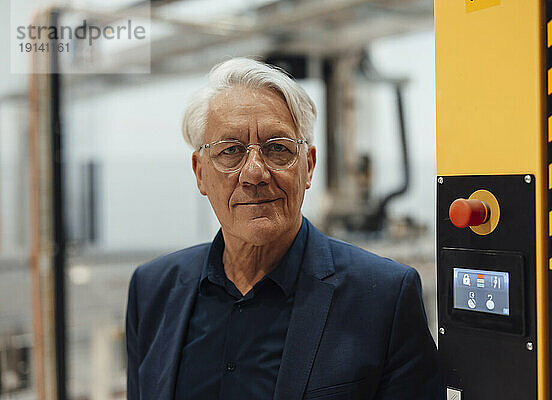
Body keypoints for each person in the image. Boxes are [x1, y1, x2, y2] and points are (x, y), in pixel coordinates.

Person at [126, 57, 441, 400]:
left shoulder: (384, 297)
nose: (255, 173)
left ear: (308, 166)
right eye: (230, 151)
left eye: (278, 149)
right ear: (200, 172)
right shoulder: (152, 290)